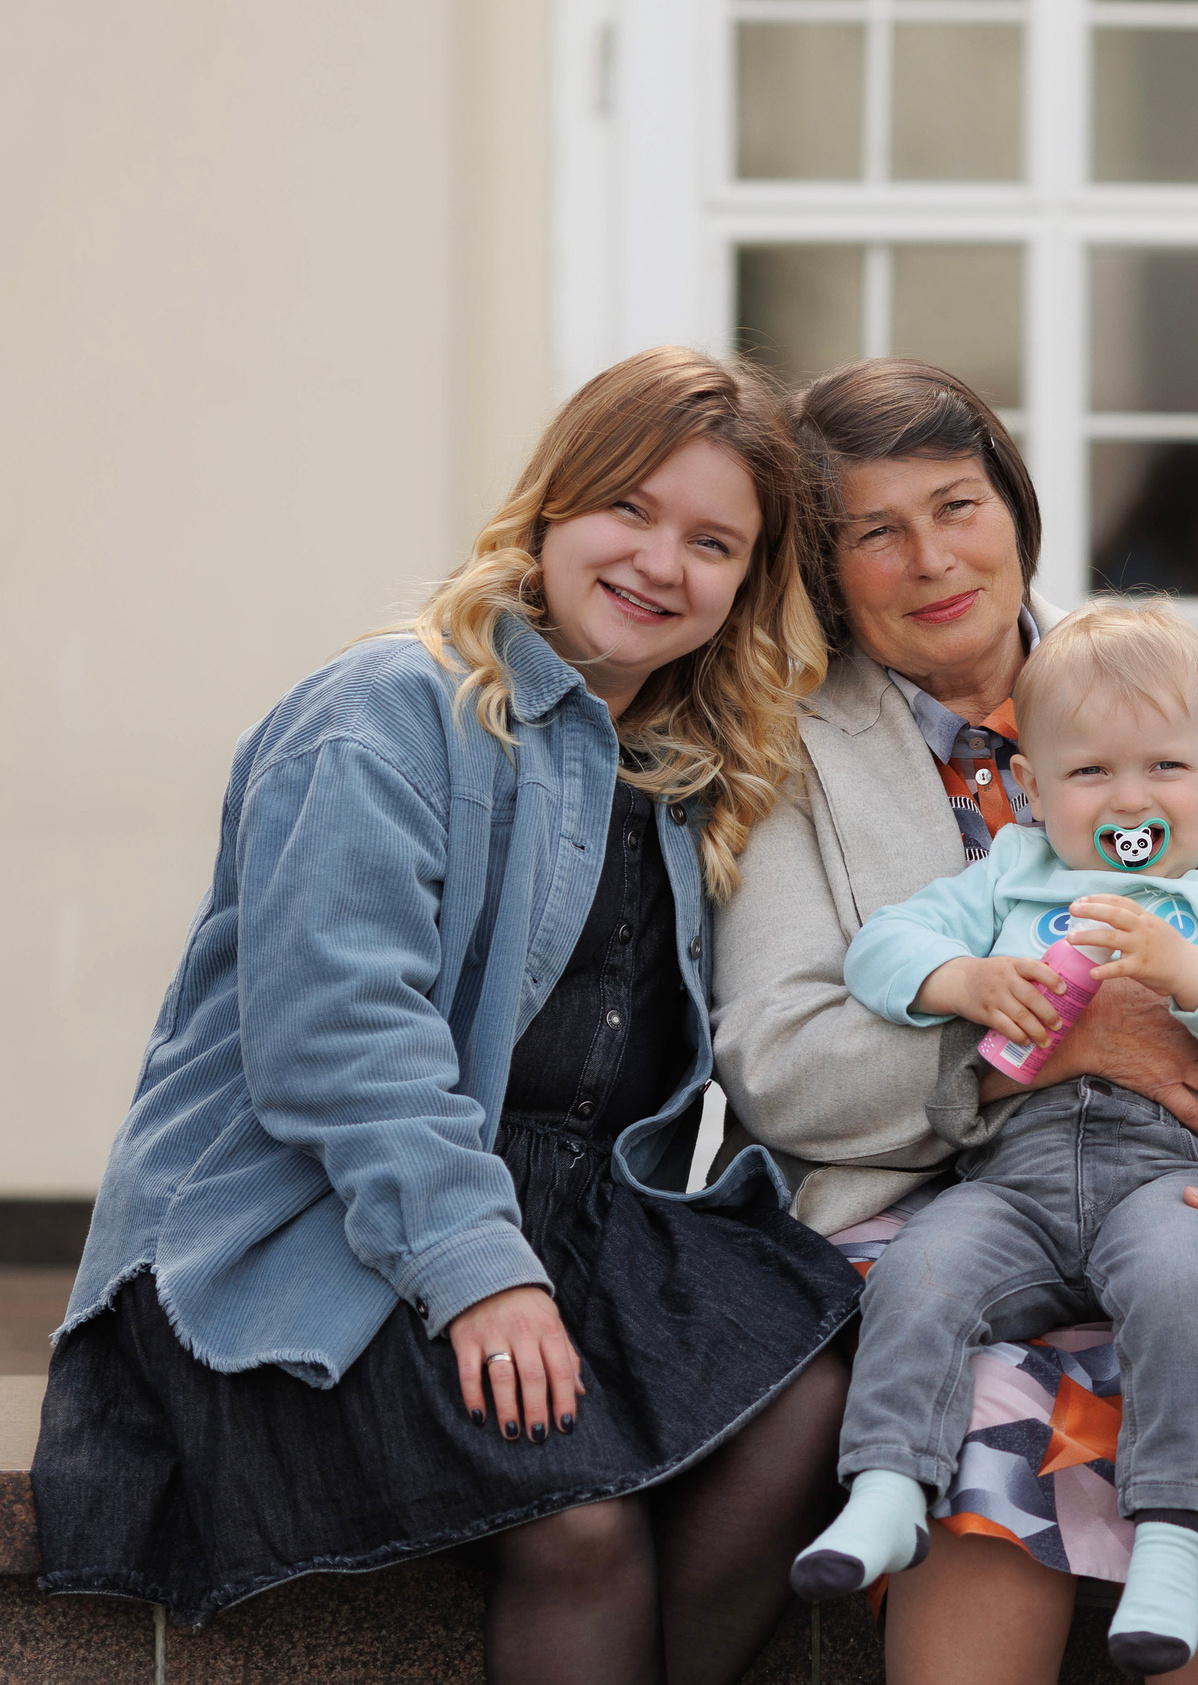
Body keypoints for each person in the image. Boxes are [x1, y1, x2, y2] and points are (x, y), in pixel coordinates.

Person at [33, 347, 864, 1685]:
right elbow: (336, 1039)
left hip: (575, 1217)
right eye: (630, 511)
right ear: (551, 507)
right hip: (311, 1227)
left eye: (714, 542)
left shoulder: (685, 766)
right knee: (577, 1517)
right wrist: (476, 1272)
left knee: (812, 1385)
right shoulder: (387, 713)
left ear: (748, 587)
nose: (661, 562)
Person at [708, 359, 1198, 1685]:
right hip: (934, 1210)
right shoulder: (787, 747)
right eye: (875, 530)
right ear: (822, 563)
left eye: (958, 505)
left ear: (1016, 506)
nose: (932, 558)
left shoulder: (1167, 689)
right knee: (984, 1414)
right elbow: (779, 1060)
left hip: (1191, 1199)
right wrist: (1048, 1046)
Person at [807, 601, 1198, 1676]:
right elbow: (881, 948)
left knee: (1191, 1284)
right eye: (1090, 774)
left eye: (1166, 768)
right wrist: (965, 980)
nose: (1131, 798)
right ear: (1036, 790)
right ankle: (888, 1488)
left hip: (1167, 1176)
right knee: (922, 1270)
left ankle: (1174, 1535)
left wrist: (1194, 976)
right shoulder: (1009, 874)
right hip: (1016, 1175)